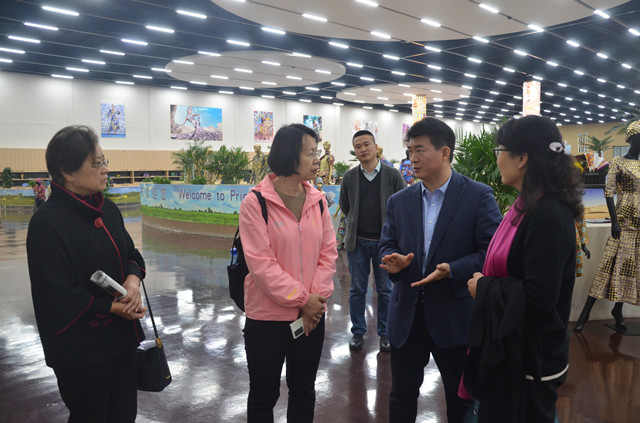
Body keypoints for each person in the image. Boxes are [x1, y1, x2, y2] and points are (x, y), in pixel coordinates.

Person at [379, 117, 501, 423]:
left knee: (460, 400)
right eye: (409, 151)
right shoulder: (399, 201)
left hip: (455, 316)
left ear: (445, 152)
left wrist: (453, 269)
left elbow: (492, 252)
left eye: (420, 150)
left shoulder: (478, 196)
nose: (413, 158)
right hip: (407, 316)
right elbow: (387, 245)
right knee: (401, 396)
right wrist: (393, 262)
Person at [465, 115, 583, 422]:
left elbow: (539, 297)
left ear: (521, 158)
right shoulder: (527, 205)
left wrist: (484, 288)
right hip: (515, 347)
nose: (497, 159)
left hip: (532, 355)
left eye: (500, 151)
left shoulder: (547, 215)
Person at [26, 125, 147, 423]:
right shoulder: (46, 223)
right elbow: (56, 292)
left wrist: (132, 283)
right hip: (80, 350)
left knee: (123, 415)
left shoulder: (109, 210)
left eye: (105, 161)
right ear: (67, 171)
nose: (106, 169)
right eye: (97, 163)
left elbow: (132, 256)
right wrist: (114, 307)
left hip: (121, 340)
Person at [239, 123, 337, 422]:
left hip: (311, 315)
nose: (317, 160)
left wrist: (314, 302)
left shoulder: (317, 201)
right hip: (267, 319)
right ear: (288, 155)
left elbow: (328, 254)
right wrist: (303, 300)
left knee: (304, 390)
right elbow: (261, 265)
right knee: (264, 394)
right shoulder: (255, 203)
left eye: (317, 153)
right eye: (310, 153)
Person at [340, 130, 406, 352]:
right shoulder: (349, 177)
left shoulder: (392, 175)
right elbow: (346, 206)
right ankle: (358, 331)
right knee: (357, 289)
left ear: (376, 147)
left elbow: (402, 205)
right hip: (357, 242)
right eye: (358, 146)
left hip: (385, 243)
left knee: (385, 290)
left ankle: (385, 333)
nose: (363, 149)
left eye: (366, 144)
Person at [574, 119, 640, 331]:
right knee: (608, 266)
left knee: (631, 268)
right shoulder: (618, 162)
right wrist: (614, 222)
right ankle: (585, 314)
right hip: (623, 221)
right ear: (632, 138)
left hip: (639, 223)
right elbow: (609, 192)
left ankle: (617, 310)